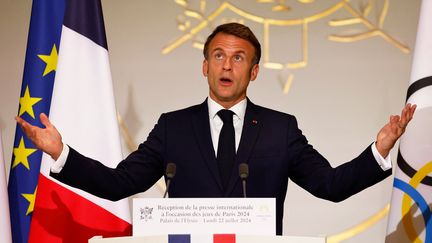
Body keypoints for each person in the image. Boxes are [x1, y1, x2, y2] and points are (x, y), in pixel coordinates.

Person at [16, 23, 416, 235]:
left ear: (254, 71)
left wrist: (378, 150)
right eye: (218, 56)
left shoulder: (280, 129)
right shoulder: (173, 127)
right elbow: (120, 182)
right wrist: (60, 152)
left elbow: (330, 185)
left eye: (239, 58)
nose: (227, 65)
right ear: (204, 66)